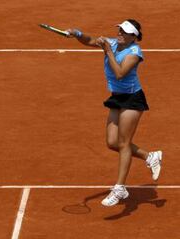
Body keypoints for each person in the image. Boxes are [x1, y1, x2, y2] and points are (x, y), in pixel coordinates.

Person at [67, 20, 162, 206]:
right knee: (112, 142)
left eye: (124, 31)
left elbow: (119, 73)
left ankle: (120, 188)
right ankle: (149, 156)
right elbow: (90, 40)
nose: (119, 33)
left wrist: (108, 51)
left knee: (124, 143)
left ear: (133, 36)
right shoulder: (112, 42)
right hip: (117, 97)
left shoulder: (134, 53)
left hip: (133, 99)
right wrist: (77, 33)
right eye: (119, 29)